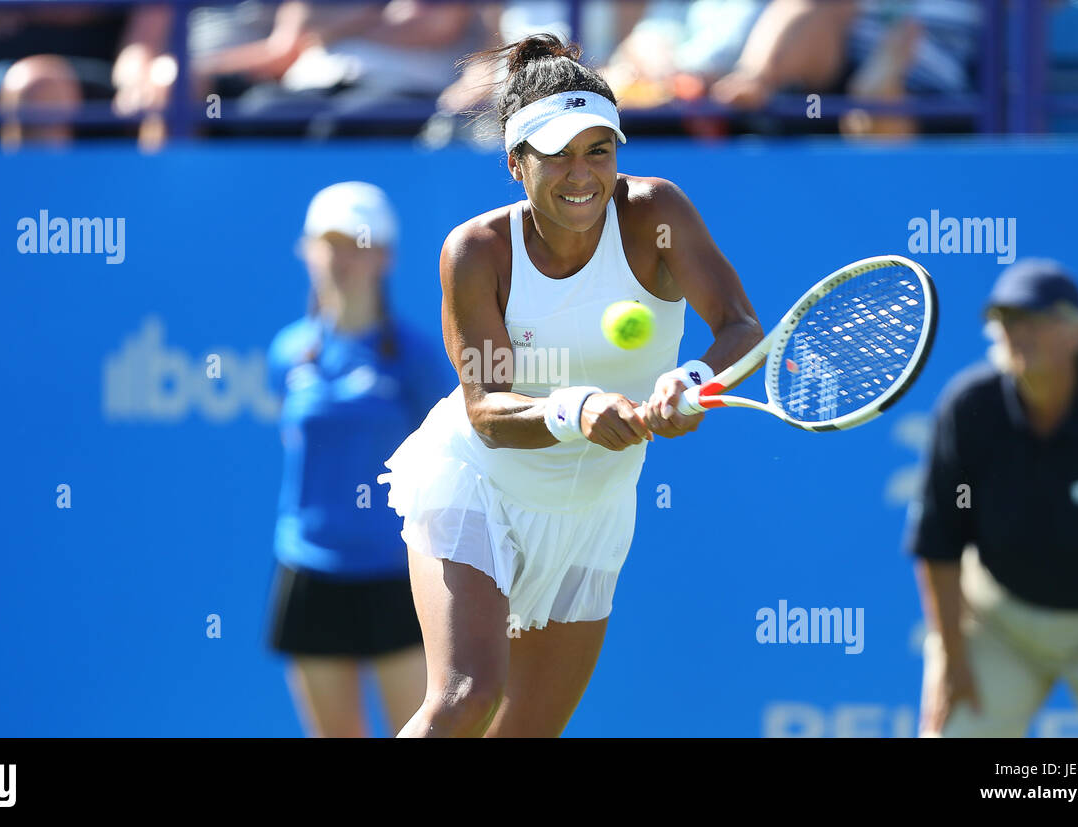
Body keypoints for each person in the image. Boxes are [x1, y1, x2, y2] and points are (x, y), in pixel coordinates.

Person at [378, 33, 763, 737]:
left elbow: (740, 326)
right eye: (556, 154)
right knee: (466, 696)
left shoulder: (657, 214)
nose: (581, 174)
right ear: (516, 163)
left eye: (598, 150)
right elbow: (486, 411)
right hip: (478, 484)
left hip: (594, 508)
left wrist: (694, 380)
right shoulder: (477, 251)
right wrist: (578, 408)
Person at [907, 258, 1078, 737]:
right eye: (1006, 320)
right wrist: (953, 660)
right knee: (954, 728)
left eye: (1036, 319)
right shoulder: (969, 408)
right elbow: (939, 543)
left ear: (1076, 331)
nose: (1018, 333)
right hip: (999, 623)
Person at [265, 181, 448, 737]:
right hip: (309, 571)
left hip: (397, 575)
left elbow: (444, 458)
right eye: (329, 244)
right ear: (307, 251)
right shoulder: (287, 353)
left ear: (384, 256)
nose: (340, 259)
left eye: (356, 244)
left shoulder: (415, 358)